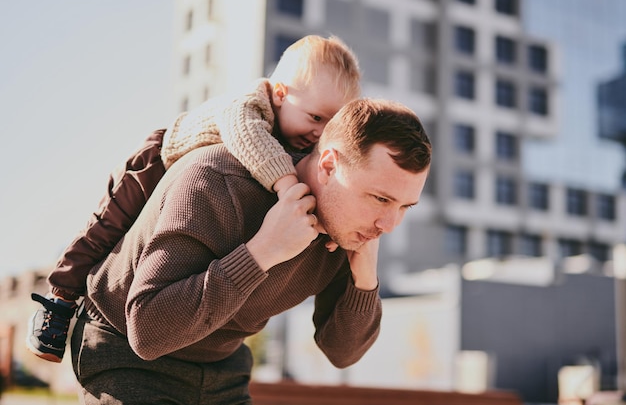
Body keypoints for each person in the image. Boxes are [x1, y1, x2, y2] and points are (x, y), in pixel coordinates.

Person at [71, 97, 432, 404]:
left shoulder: (347, 233)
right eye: (380, 198)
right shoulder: (214, 181)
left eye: (404, 207)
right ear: (328, 166)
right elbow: (148, 332)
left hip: (223, 369)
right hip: (126, 356)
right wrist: (263, 252)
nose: (389, 225)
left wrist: (365, 280)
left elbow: (343, 352)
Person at [26, 34, 361, 363]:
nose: (321, 132)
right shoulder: (248, 105)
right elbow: (250, 140)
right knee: (106, 228)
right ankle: (59, 300)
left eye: (332, 122)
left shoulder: (300, 140)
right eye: (316, 117)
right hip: (157, 161)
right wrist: (291, 189)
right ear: (279, 94)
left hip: (187, 192)